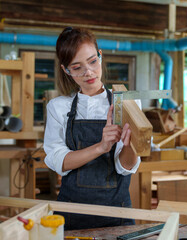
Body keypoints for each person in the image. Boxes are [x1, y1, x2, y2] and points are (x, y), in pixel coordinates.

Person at [43, 27, 140, 230]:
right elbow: (58, 161)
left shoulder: (127, 103)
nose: (88, 72)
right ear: (66, 70)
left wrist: (130, 144)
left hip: (117, 212)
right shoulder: (58, 107)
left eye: (92, 61)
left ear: (100, 56)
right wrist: (101, 147)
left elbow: (126, 168)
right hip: (72, 211)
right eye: (77, 67)